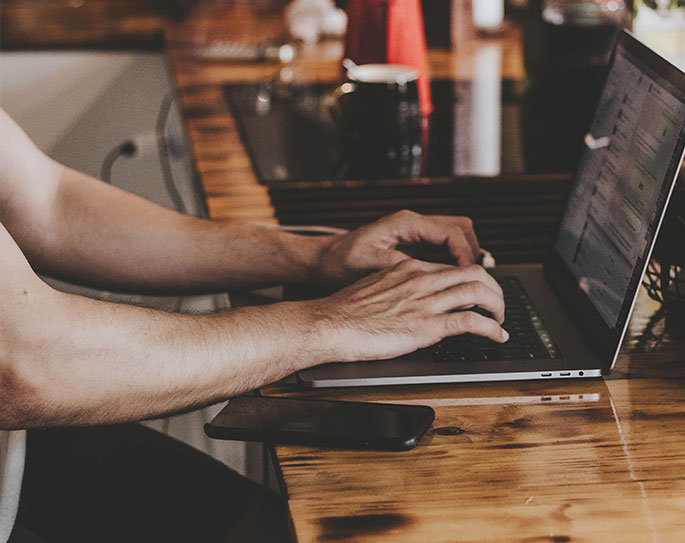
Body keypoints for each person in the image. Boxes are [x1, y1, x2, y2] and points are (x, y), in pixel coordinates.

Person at [0, 107, 507, 542]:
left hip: (24, 454)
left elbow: (45, 202)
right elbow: (24, 363)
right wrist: (332, 322)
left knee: (266, 526)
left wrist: (317, 256)